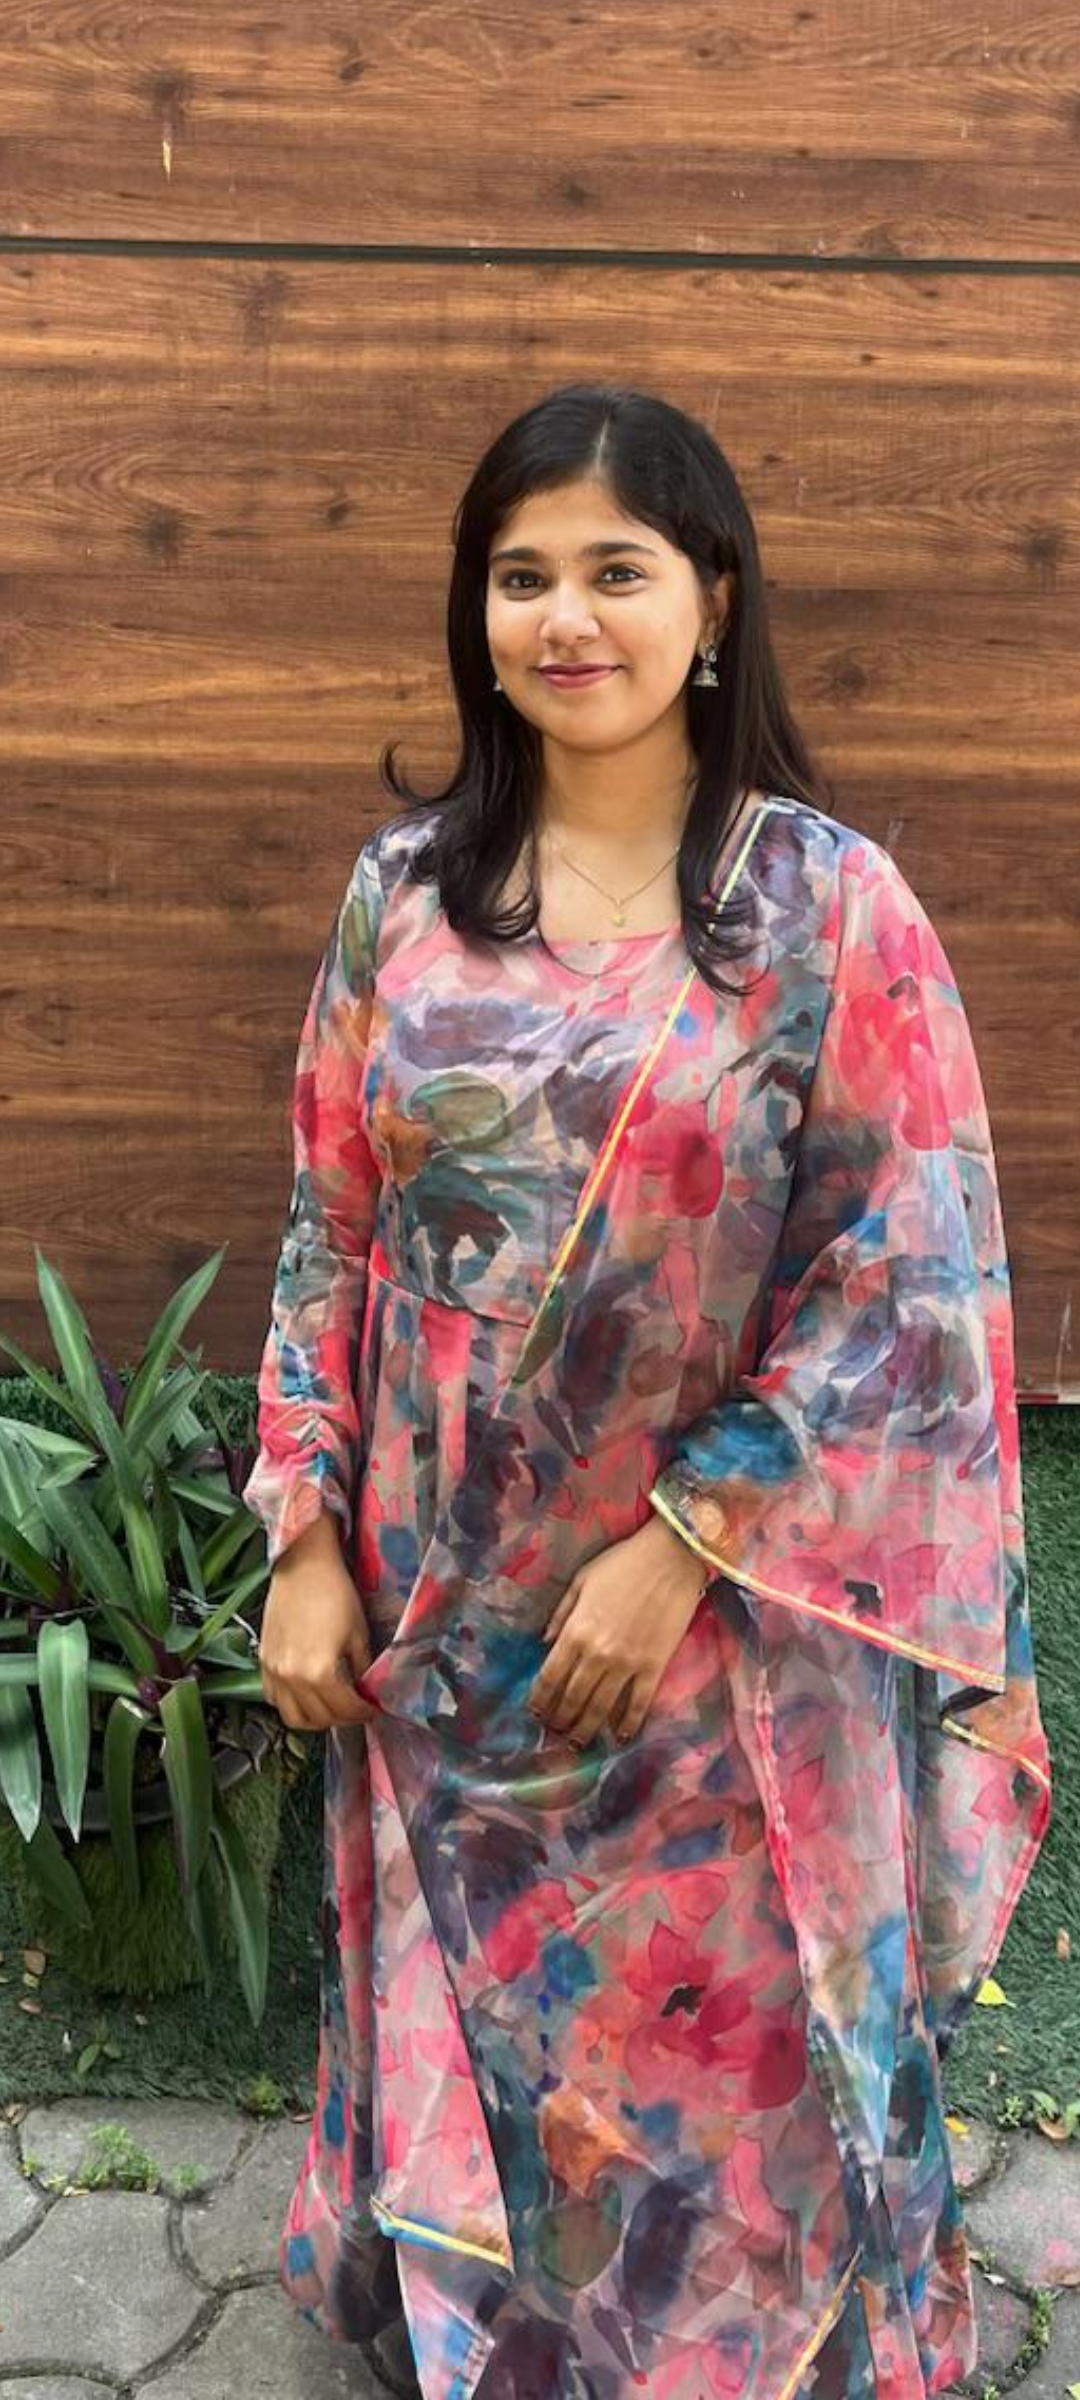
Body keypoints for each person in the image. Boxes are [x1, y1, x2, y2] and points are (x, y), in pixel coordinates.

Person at [242, 382, 1051, 2400]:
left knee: (728, 2054)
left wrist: (685, 1541)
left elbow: (907, 1277)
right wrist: (306, 1533)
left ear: (715, 602)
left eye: (616, 570)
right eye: (521, 576)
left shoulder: (825, 912)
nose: (565, 618)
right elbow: (330, 1230)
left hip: (714, 1645)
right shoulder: (406, 897)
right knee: (488, 2030)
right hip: (441, 1625)